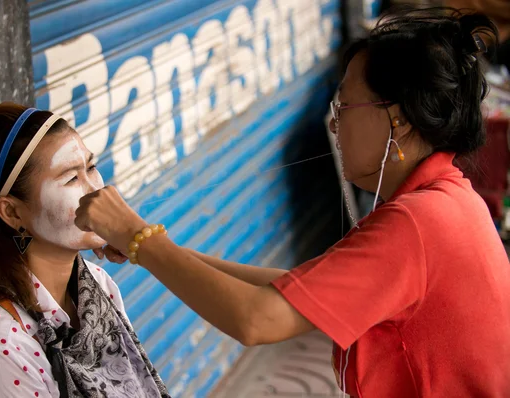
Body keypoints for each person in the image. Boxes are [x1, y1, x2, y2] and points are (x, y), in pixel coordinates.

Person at [73, 7, 510, 398]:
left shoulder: (418, 222)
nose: (335, 126)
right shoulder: (446, 198)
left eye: (344, 107)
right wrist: (162, 252)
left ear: (397, 118)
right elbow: (296, 289)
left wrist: (137, 237)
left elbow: (257, 319)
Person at [0, 103, 170, 398]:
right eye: (71, 178)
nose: (97, 192)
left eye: (91, 167)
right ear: (13, 213)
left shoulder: (96, 285)